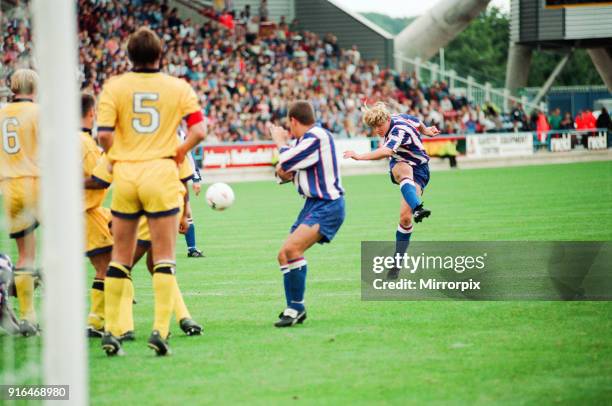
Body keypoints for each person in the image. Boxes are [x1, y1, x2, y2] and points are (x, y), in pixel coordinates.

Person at [96, 27, 206, 356]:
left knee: (120, 258)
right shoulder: (178, 87)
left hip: (127, 174)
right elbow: (200, 129)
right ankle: (160, 331)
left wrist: (120, 157)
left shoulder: (114, 87)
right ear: (161, 55)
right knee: (164, 257)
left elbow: (103, 136)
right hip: (161, 173)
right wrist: (180, 151)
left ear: (128, 56)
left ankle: (112, 330)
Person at [87, 153, 203, 340]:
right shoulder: (169, 134)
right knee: (157, 262)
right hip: (171, 198)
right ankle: (183, 318)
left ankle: (119, 328)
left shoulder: (123, 138)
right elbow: (183, 174)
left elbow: (100, 179)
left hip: (139, 199)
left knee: (122, 264)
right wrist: (185, 209)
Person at [269, 100, 345, 327]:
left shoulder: (317, 136)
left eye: (288, 124)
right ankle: (295, 308)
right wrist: (284, 173)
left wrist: (280, 143)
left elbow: (286, 160)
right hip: (313, 205)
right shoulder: (306, 140)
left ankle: (295, 308)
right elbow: (287, 170)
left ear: (293, 120)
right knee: (283, 254)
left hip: (328, 205)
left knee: (292, 249)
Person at [343, 102, 439, 280]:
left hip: (420, 169)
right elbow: (416, 120)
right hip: (400, 164)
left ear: (387, 119)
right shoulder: (398, 117)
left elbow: (386, 150)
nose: (378, 130)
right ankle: (418, 207)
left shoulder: (398, 130)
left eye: (380, 126)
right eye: (374, 127)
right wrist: (425, 130)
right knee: (403, 171)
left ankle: (397, 263)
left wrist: (359, 156)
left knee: (405, 217)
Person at [0, 69, 40, 336]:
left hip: (9, 186)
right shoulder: (39, 112)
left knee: (25, 253)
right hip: (37, 183)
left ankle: (28, 316)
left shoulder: (1, 113)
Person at [80, 92, 114, 338]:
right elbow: (98, 180)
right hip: (85, 211)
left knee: (111, 259)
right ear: (91, 113)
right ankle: (96, 321)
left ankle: (105, 316)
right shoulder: (86, 144)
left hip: (86, 211)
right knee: (107, 266)